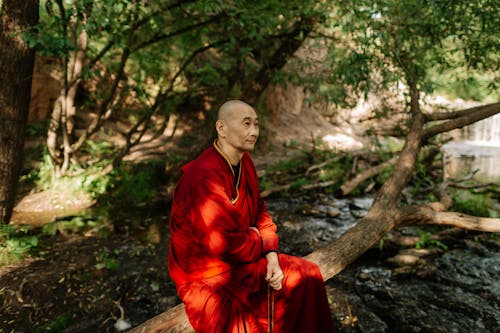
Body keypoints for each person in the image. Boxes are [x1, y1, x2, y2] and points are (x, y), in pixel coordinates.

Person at [168, 100, 333, 332]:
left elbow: (259, 211)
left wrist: (272, 256)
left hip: (246, 258)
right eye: (246, 124)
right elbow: (223, 245)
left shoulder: (245, 162)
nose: (254, 131)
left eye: (256, 124)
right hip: (210, 274)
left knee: (308, 275)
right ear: (221, 128)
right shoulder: (203, 177)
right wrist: (258, 240)